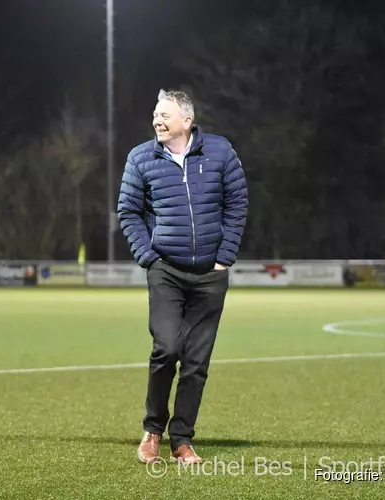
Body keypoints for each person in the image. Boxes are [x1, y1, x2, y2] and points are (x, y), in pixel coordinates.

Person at [117, 89, 248, 464]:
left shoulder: (221, 151)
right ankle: (152, 431)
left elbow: (237, 202)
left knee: (196, 362)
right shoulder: (141, 157)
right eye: (155, 113)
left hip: (211, 275)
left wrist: (225, 257)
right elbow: (128, 210)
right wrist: (149, 257)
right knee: (167, 348)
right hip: (167, 272)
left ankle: (182, 440)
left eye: (165, 114)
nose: (157, 119)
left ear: (187, 121)